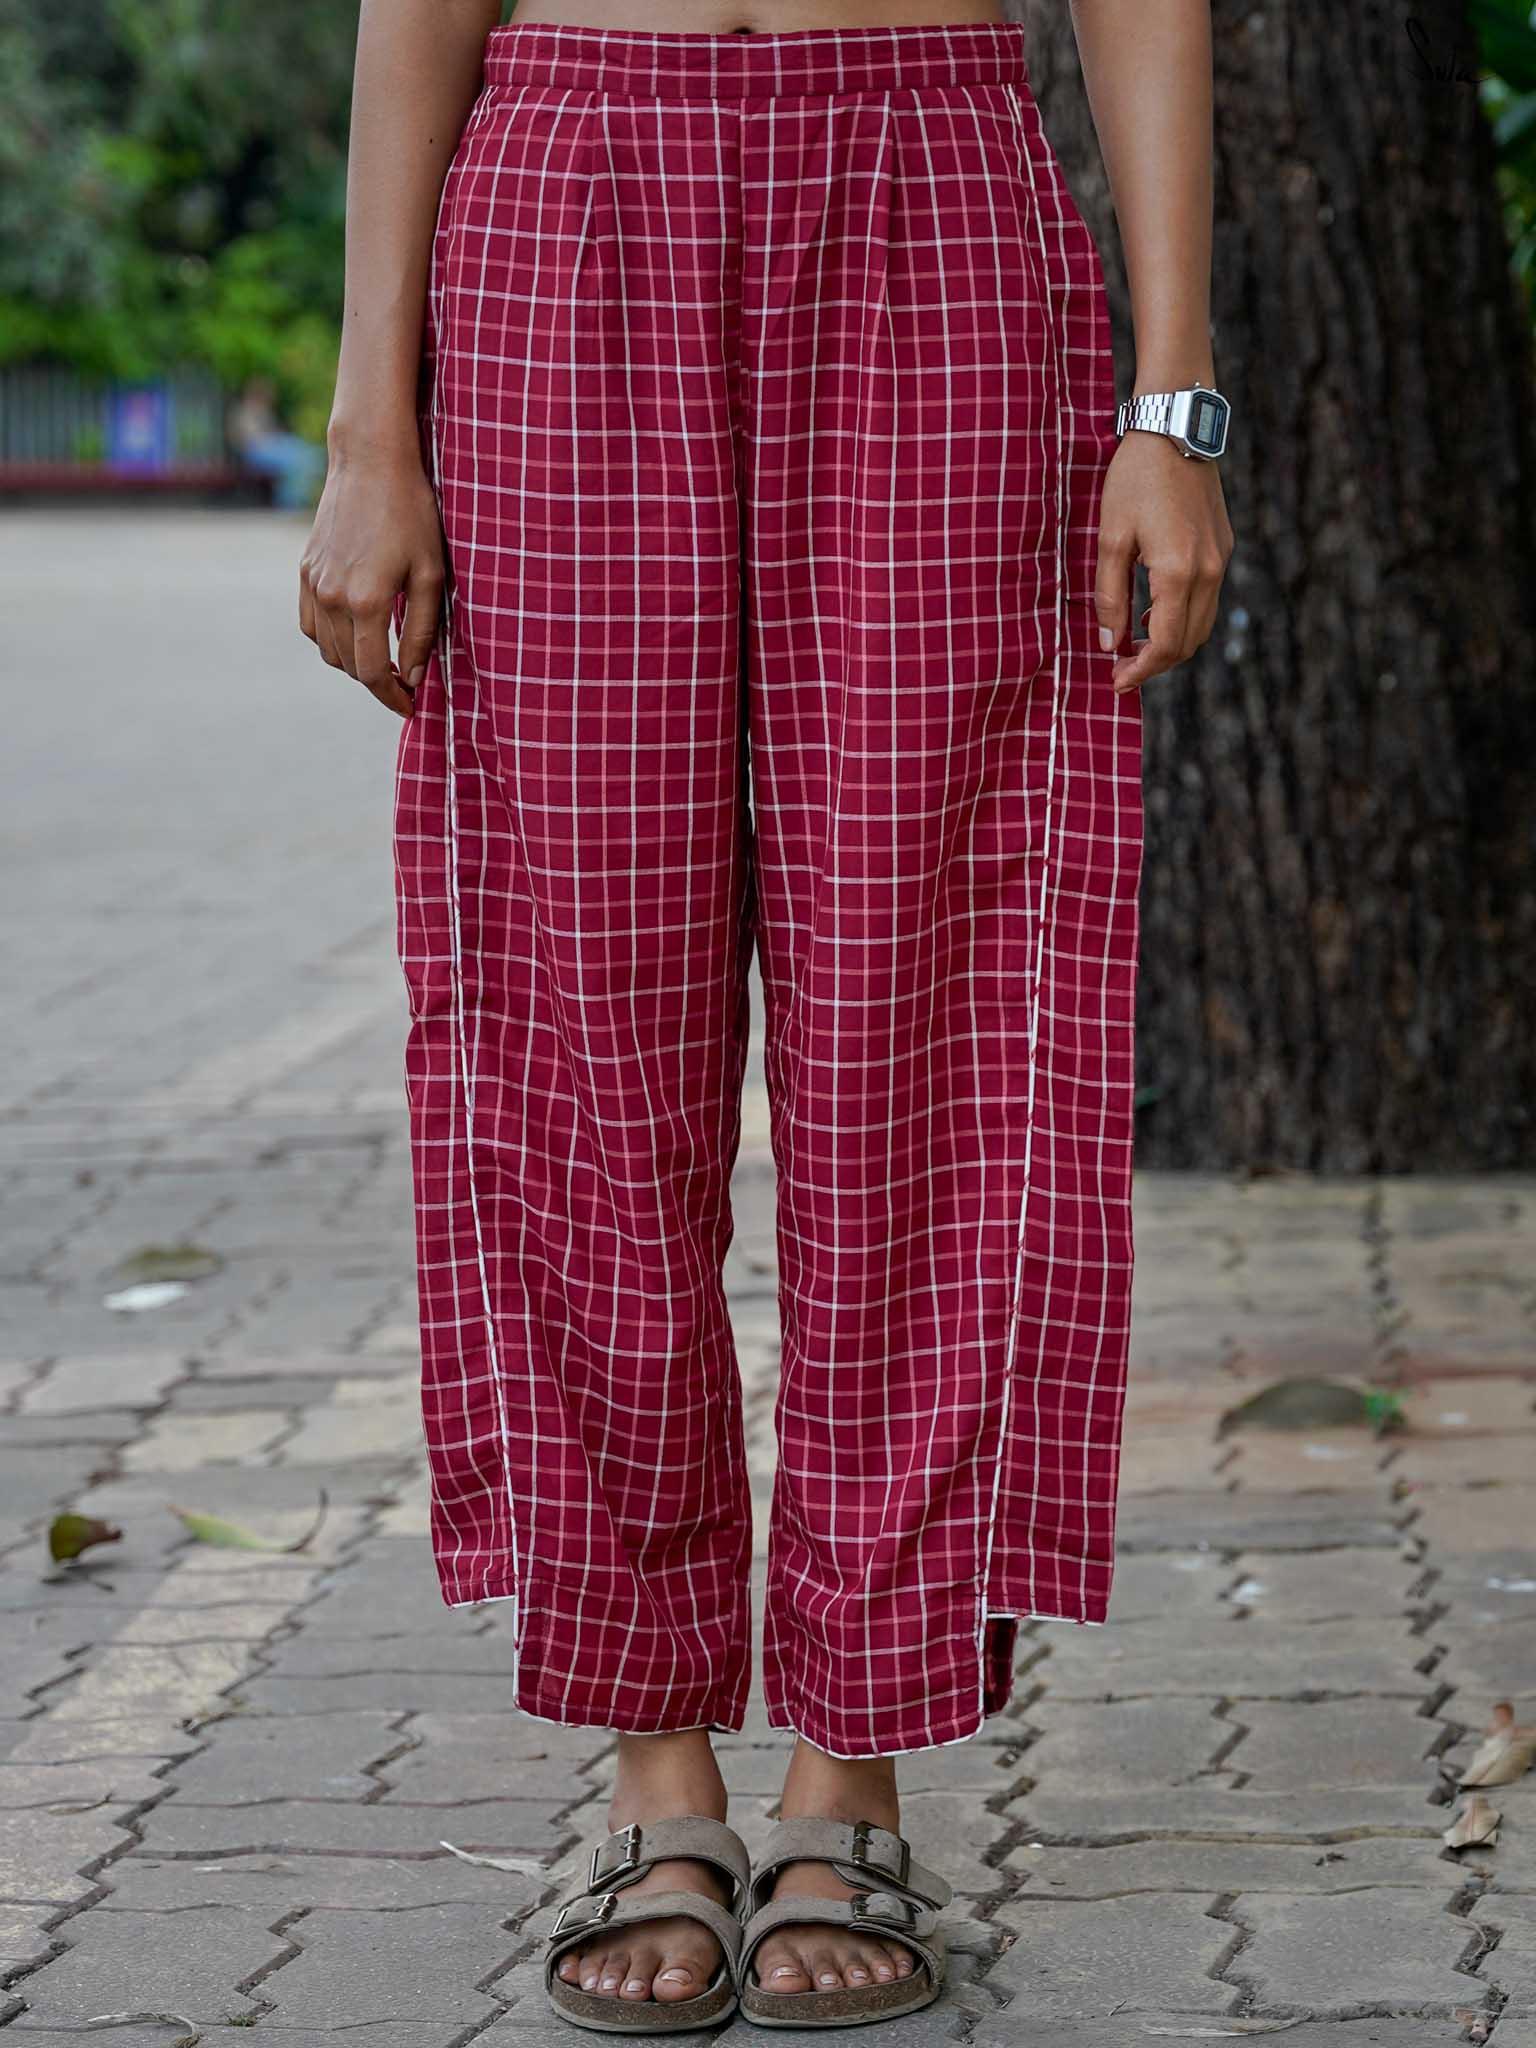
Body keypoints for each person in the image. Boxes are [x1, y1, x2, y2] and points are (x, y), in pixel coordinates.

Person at [299, 0, 1233, 2030]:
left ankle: (850, 1764)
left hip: (927, 194)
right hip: (567, 199)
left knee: (930, 1022)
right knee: (577, 1023)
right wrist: (373, 428)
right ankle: (657, 1769)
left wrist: (1173, 408)